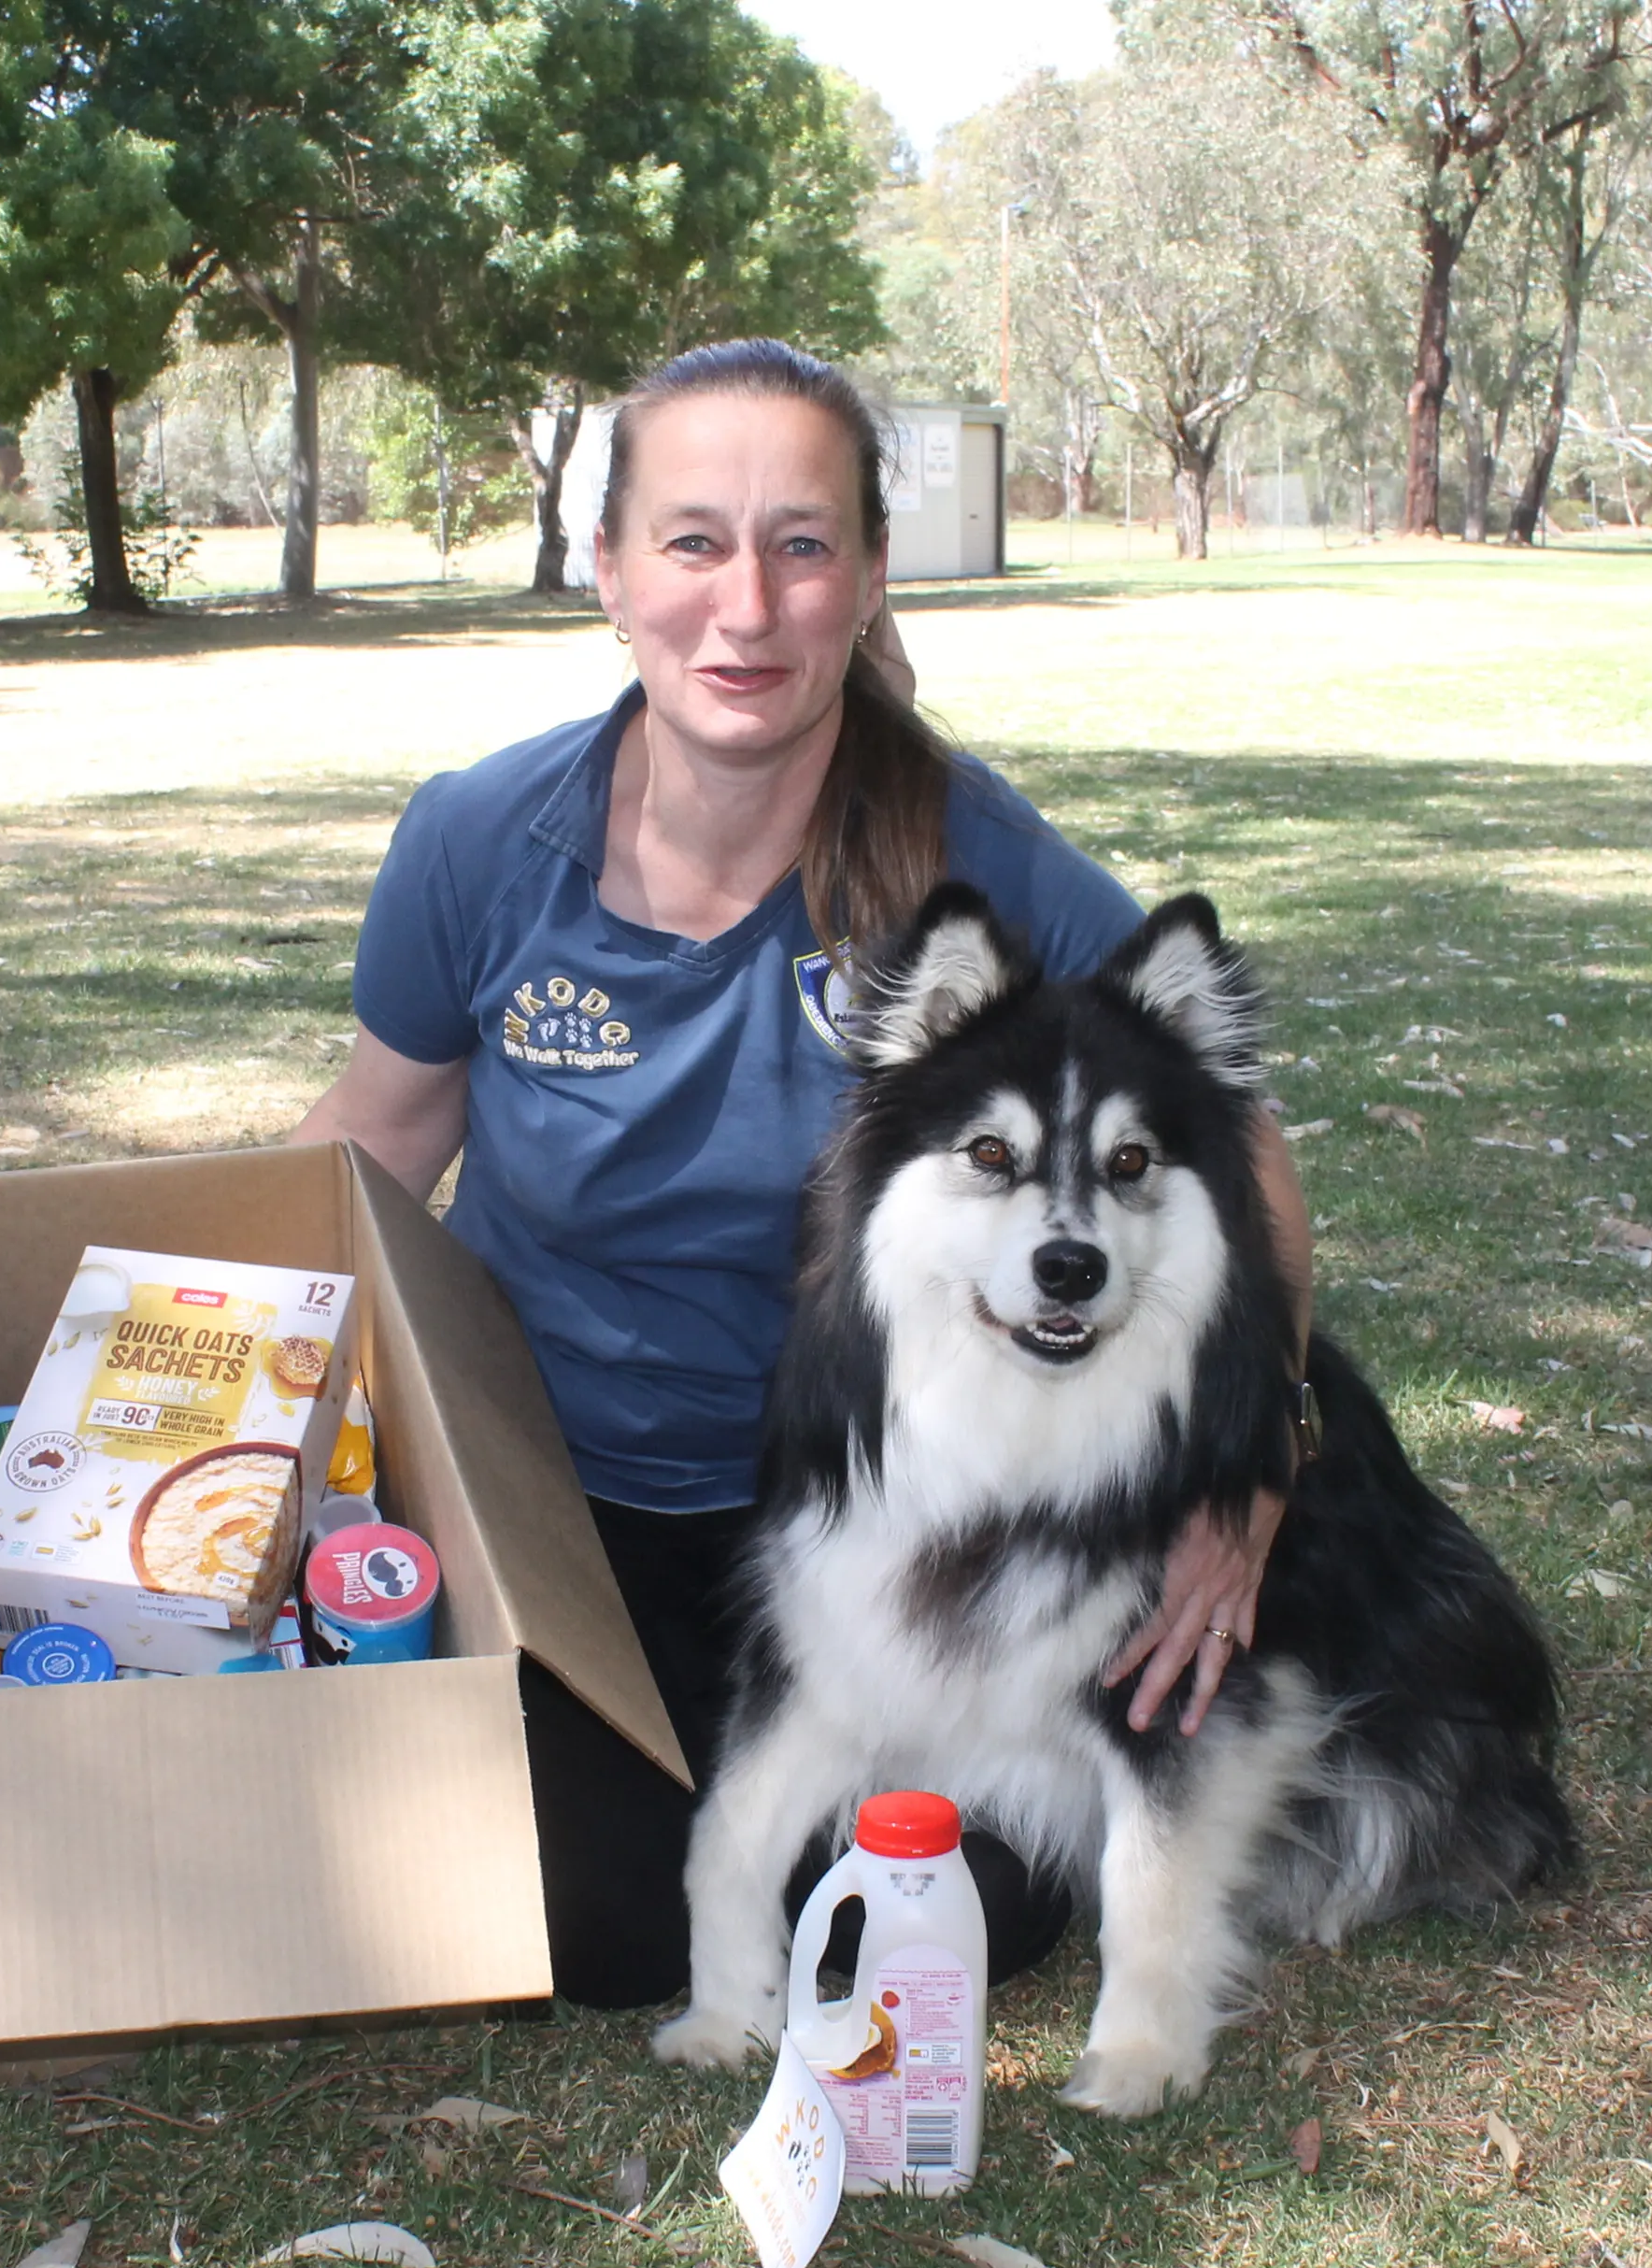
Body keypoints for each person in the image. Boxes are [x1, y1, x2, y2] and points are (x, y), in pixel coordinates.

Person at [291, 339, 1314, 2006]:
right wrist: (179, 1374)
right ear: (609, 570)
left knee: (938, 1905)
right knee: (588, 1916)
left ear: (868, 581)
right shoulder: (478, 843)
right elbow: (380, 1141)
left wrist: (1247, 1488)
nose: (746, 607)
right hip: (561, 1505)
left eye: (802, 544)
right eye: (693, 540)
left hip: (888, 1525)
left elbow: (1238, 1168)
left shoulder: (977, 859)